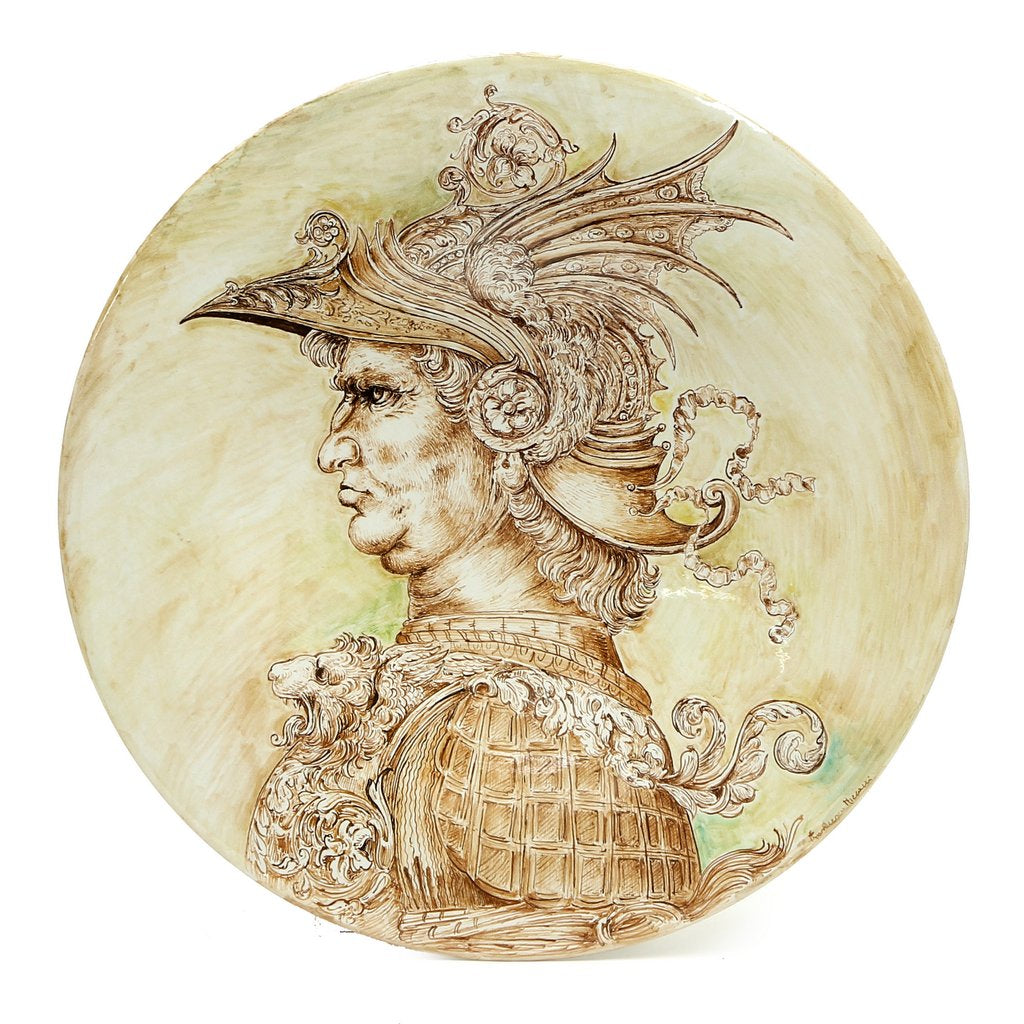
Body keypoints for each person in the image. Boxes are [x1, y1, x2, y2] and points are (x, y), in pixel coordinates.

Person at [184, 86, 825, 956]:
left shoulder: (529, 738)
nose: (333, 449)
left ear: (509, 420)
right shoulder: (465, 701)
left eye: (379, 396)